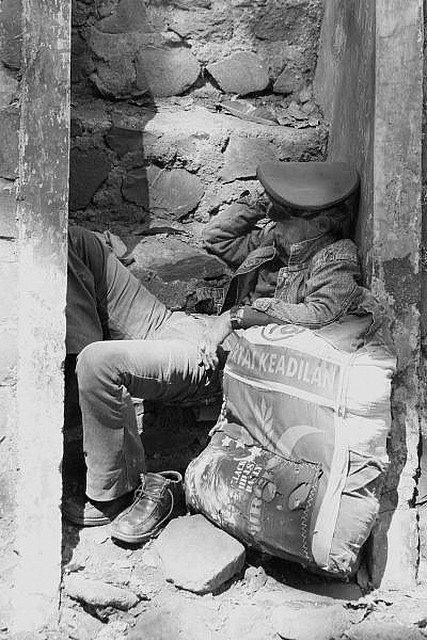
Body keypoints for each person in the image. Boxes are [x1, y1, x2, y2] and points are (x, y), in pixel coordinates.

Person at [63, 160, 371, 544]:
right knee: (78, 242)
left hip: (219, 357)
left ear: (321, 224)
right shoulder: (279, 238)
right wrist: (263, 201)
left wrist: (239, 316)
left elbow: (324, 314)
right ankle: (79, 387)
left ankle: (113, 491)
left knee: (99, 362)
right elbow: (217, 238)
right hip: (183, 325)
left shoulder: (335, 256)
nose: (274, 217)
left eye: (285, 212)